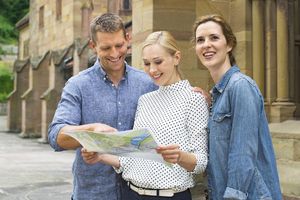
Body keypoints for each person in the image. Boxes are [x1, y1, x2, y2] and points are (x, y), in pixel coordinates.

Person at [82, 31, 209, 200]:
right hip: (131, 194)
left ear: (176, 58)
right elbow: (132, 158)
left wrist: (179, 157)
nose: (152, 70)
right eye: (147, 64)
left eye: (158, 62)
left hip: (169, 196)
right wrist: (100, 155)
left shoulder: (193, 99)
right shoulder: (145, 100)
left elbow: (201, 162)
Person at [48, 13, 157, 200]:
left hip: (139, 192)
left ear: (128, 39)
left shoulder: (148, 83)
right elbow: (56, 136)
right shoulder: (78, 85)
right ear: (92, 46)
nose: (114, 54)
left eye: (119, 45)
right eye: (106, 48)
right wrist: (91, 131)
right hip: (92, 193)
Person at [193, 14, 282, 199]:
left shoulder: (240, 86)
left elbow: (243, 153)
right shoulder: (219, 94)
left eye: (214, 38)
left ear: (229, 44)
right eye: (200, 40)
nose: (206, 44)